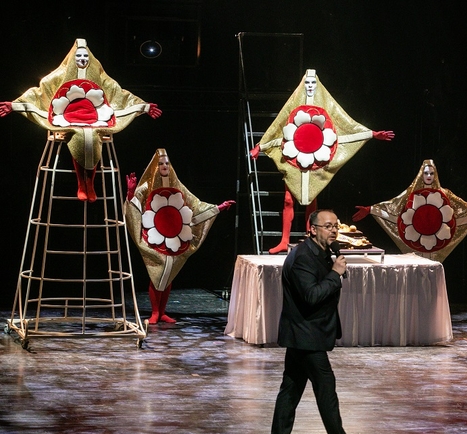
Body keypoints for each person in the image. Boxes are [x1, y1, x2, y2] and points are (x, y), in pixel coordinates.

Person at [250, 68, 394, 254]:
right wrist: (259, 146)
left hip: (316, 158)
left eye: (313, 84)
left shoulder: (328, 106)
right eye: (307, 84)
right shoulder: (293, 104)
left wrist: (372, 134)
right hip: (295, 157)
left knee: (311, 199)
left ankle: (310, 238)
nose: (310, 87)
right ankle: (284, 240)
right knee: (288, 200)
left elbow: (345, 126)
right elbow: (278, 126)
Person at [0, 38, 162, 202]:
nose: (82, 59)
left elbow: (118, 93)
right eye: (78, 57)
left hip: (95, 119)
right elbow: (40, 92)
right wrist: (16, 105)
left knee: (91, 136)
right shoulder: (59, 75)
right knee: (80, 135)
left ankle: (90, 182)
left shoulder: (100, 76)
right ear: (72, 59)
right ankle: (81, 182)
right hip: (66, 118)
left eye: (85, 56)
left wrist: (143, 106)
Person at [269, 209, 357, 434]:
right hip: (306, 335)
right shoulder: (303, 258)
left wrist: (332, 270)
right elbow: (311, 296)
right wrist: (334, 274)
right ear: (313, 229)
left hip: (304, 334)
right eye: (327, 226)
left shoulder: (321, 252)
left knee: (291, 390)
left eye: (335, 226)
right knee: (326, 390)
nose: (333, 230)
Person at [125, 148, 235, 324]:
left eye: (167, 163)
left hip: (174, 236)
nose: (164, 166)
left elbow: (195, 206)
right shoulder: (147, 185)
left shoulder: (177, 186)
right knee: (157, 274)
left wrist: (218, 208)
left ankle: (162, 312)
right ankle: (154, 312)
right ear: (155, 166)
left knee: (169, 275)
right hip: (155, 236)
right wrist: (131, 192)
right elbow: (135, 203)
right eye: (161, 163)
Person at [353, 159, 467, 263]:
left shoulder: (445, 194)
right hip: (416, 239)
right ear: (421, 174)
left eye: (431, 173)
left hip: (435, 242)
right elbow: (393, 208)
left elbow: (462, 210)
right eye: (426, 173)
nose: (429, 176)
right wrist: (371, 210)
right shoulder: (410, 194)